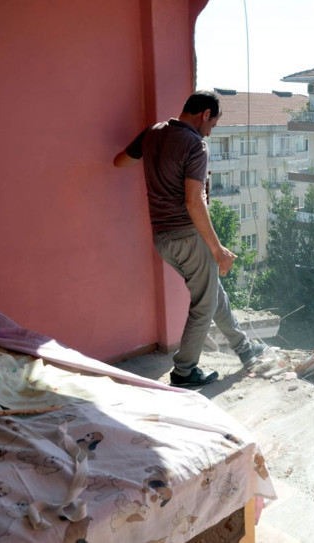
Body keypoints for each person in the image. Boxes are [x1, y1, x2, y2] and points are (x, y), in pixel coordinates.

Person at [113, 91, 265, 387]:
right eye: (214, 123)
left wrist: (156, 159)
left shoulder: (153, 133)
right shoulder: (195, 144)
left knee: (211, 293)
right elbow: (194, 202)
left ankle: (245, 349)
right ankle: (184, 371)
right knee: (203, 304)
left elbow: (120, 161)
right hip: (187, 235)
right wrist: (217, 248)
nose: (211, 130)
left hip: (163, 238)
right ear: (205, 114)